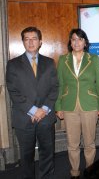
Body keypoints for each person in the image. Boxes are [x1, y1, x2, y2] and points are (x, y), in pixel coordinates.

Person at [6, 27, 59, 179]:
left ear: (40, 42)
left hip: (46, 116)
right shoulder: (13, 64)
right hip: (24, 118)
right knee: (26, 156)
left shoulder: (50, 63)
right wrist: (33, 110)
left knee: (47, 153)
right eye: (27, 39)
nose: (30, 42)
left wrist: (44, 109)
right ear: (23, 42)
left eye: (34, 38)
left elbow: (55, 88)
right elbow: (13, 91)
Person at [55, 28, 99, 179]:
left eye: (80, 39)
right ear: (70, 42)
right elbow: (60, 84)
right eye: (73, 39)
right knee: (72, 144)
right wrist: (58, 106)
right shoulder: (63, 60)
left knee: (89, 142)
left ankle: (90, 170)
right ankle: (74, 173)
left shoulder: (94, 59)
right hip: (69, 105)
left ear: (85, 42)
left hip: (90, 105)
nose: (76, 42)